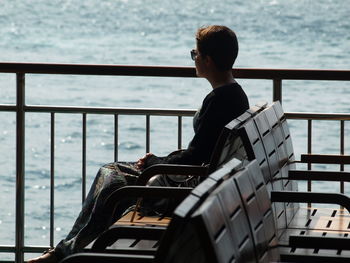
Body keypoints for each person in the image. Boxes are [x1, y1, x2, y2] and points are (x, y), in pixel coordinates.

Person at [28, 25, 249, 263]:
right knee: (112, 172)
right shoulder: (234, 94)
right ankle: (68, 249)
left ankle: (68, 253)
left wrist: (156, 163)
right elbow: (202, 152)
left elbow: (195, 157)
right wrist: (158, 162)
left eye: (195, 55)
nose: (194, 60)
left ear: (207, 60)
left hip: (186, 191)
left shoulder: (219, 100)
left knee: (113, 181)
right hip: (204, 184)